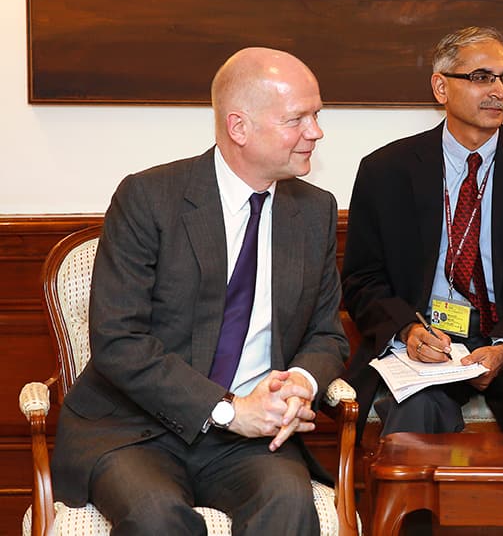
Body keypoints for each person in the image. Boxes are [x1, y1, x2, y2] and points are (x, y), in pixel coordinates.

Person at [51, 47, 350, 535]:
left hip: (251, 440)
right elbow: (119, 341)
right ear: (239, 128)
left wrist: (301, 382)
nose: (315, 132)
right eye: (297, 119)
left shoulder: (313, 211)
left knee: (289, 505)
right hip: (136, 428)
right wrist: (230, 410)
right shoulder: (149, 199)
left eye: (316, 115)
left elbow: (326, 334)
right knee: (157, 519)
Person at [342, 26, 503, 530]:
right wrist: (408, 332)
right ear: (441, 88)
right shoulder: (386, 170)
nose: (498, 91)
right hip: (426, 343)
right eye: (481, 77)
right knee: (415, 415)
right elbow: (363, 279)